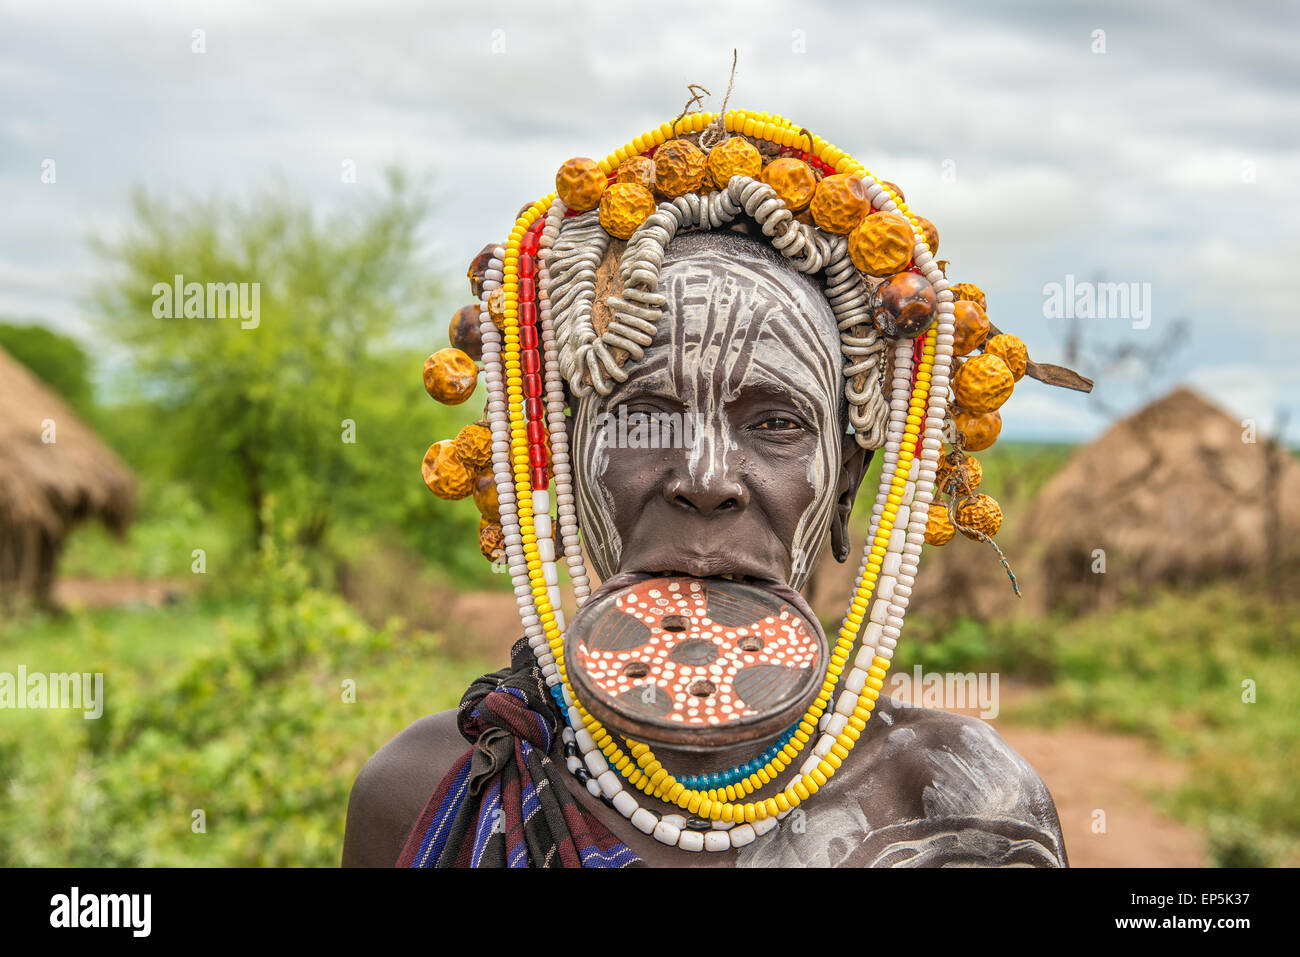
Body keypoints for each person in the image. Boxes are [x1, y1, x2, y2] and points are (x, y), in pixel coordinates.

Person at [344, 105, 1086, 867]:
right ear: (564, 462)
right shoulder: (430, 791)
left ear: (844, 486)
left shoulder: (967, 808)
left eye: (776, 423)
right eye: (642, 415)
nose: (704, 478)